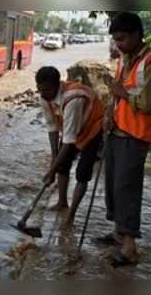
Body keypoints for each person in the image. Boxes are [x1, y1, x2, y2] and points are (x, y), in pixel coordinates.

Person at [101, 12, 151, 267]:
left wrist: (122, 93)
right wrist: (109, 111)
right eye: (115, 39)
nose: (118, 44)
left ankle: (130, 249)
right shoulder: (125, 57)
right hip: (117, 130)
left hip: (135, 134)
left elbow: (148, 103)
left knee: (127, 189)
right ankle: (119, 233)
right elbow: (117, 92)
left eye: (122, 39)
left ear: (137, 35)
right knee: (113, 187)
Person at [36, 66, 104, 226]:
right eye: (39, 89)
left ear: (56, 86)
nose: (42, 94)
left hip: (92, 129)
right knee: (62, 165)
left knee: (82, 173)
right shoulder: (44, 97)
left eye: (46, 90)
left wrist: (51, 171)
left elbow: (69, 140)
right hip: (72, 129)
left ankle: (71, 215)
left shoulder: (73, 98)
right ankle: (62, 202)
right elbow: (52, 128)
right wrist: (54, 161)